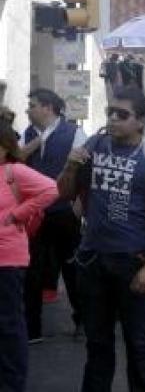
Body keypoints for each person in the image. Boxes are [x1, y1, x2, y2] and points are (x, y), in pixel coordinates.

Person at [56, 86, 145, 392]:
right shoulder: (95, 145)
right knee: (97, 343)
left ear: (141, 121)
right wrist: (71, 165)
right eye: (111, 112)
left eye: (122, 114)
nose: (113, 118)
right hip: (92, 258)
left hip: (131, 260)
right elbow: (65, 193)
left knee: (138, 343)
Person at [20, 88, 87, 343]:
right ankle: (32, 327)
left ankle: (81, 320)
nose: (28, 110)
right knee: (32, 269)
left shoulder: (74, 132)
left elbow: (84, 171)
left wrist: (79, 204)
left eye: (33, 105)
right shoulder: (27, 134)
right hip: (35, 213)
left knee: (72, 268)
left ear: (48, 107)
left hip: (63, 211)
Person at [0, 122, 58, 391]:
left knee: (8, 324)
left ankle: (12, 384)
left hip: (7, 260)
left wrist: (16, 214)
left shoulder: (15, 172)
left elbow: (51, 190)